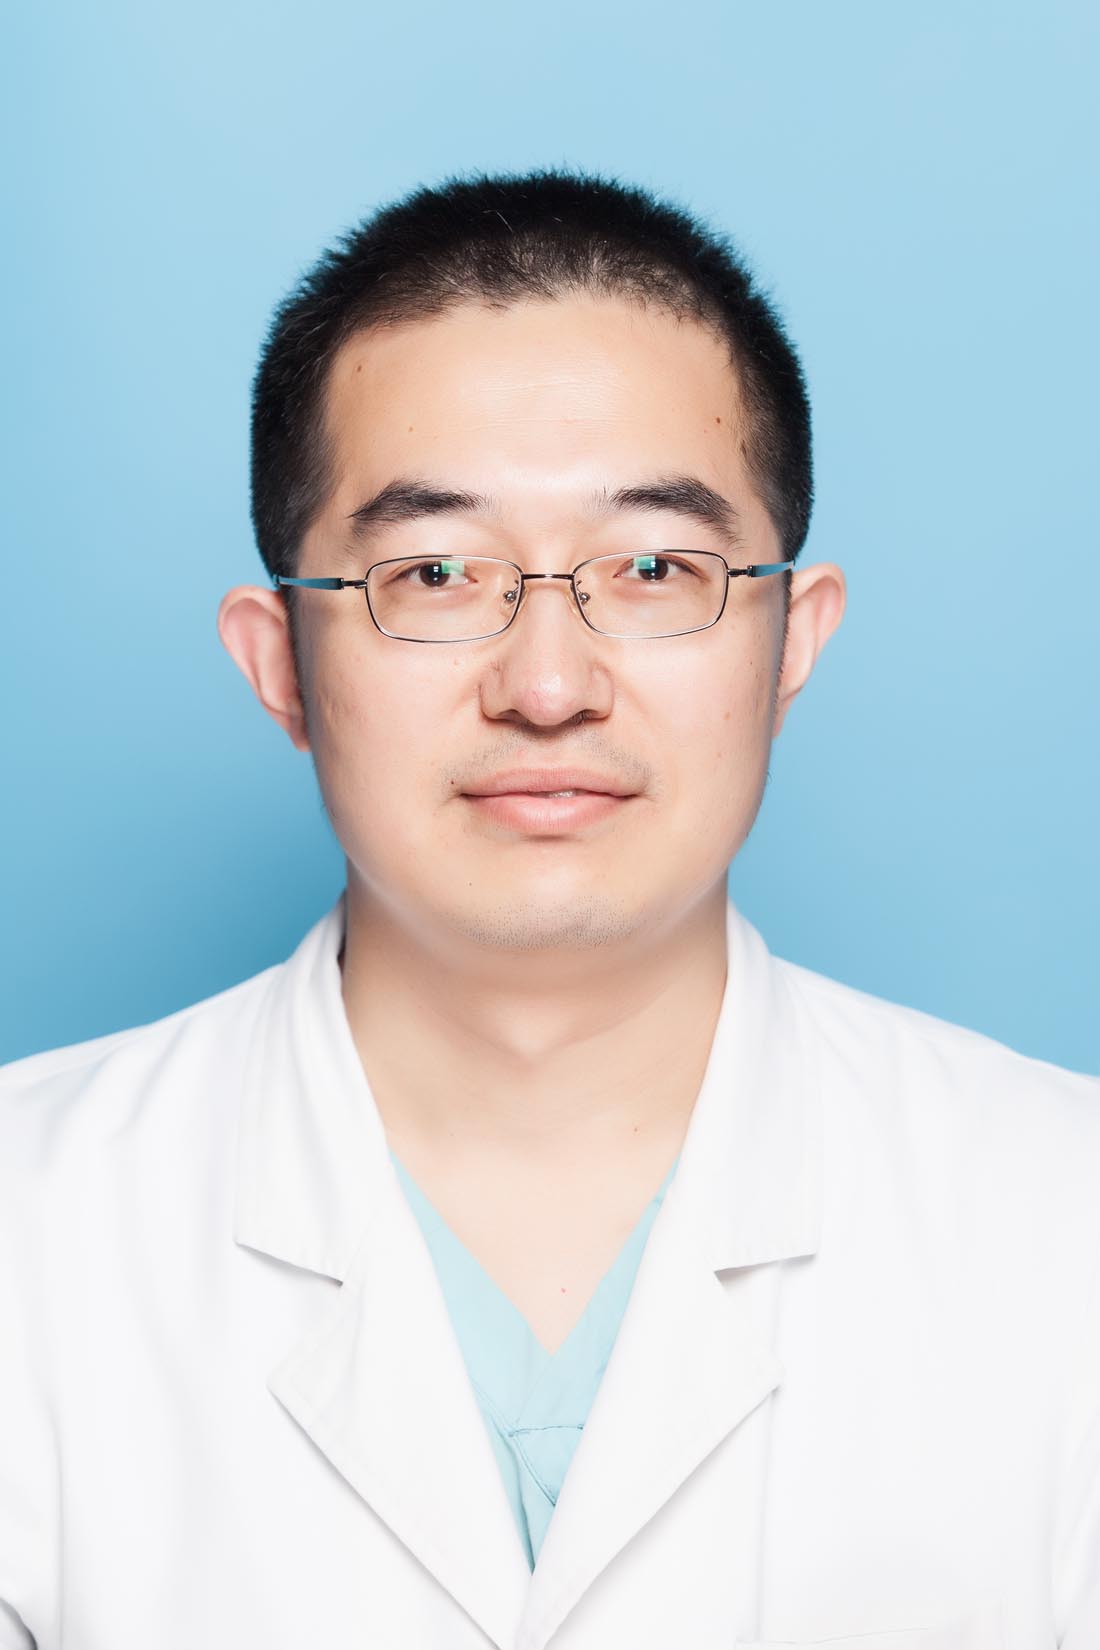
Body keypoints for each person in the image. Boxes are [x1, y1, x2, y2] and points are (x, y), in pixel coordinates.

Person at [0, 167, 1097, 1650]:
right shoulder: (31, 1233)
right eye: (435, 571)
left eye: (653, 567)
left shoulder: (1063, 1225)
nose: (550, 684)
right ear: (278, 665)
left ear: (792, 640)